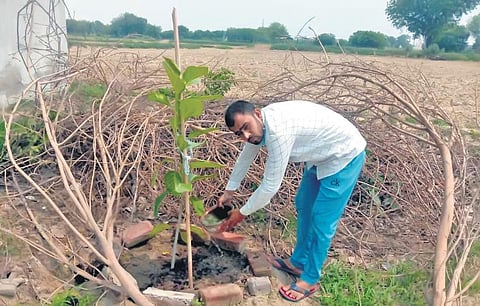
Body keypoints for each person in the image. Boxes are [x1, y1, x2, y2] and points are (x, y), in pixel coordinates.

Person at [217, 100, 366, 302]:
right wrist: (229, 191)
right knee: (304, 204)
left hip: (344, 155)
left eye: (246, 128)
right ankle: (299, 261)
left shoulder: (278, 133)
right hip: (321, 155)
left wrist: (241, 213)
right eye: (239, 134)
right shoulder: (260, 129)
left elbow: (270, 186)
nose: (246, 136)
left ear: (258, 114)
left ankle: (310, 278)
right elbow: (246, 156)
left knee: (322, 220)